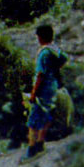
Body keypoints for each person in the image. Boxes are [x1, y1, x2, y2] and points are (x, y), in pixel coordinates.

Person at [26, 23, 69, 159]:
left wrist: (33, 93)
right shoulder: (54, 49)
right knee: (47, 113)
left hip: (43, 88)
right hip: (53, 85)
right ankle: (40, 142)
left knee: (34, 118)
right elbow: (64, 59)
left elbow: (40, 75)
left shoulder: (44, 52)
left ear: (40, 37)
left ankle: (32, 149)